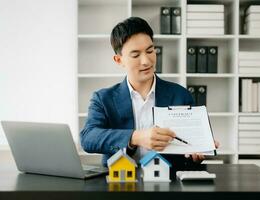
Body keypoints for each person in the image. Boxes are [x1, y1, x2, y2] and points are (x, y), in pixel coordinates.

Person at [80, 17, 219, 175]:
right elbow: (88, 138)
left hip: (167, 183)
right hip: (120, 183)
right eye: (135, 55)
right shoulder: (103, 98)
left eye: (150, 51)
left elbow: (190, 150)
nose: (146, 61)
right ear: (119, 60)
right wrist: (136, 138)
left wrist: (198, 152)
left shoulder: (180, 95)